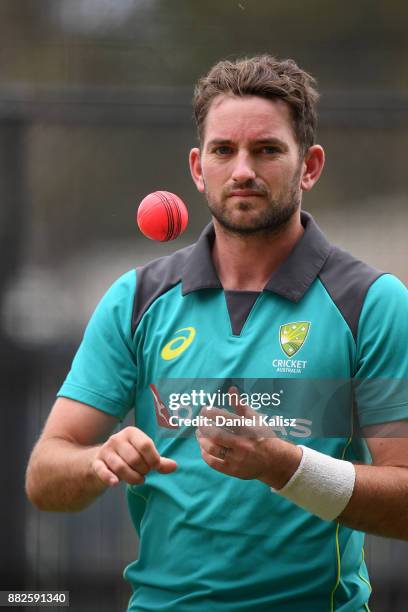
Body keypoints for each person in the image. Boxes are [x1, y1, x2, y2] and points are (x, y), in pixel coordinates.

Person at [26, 55, 408, 611]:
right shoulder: (136, 300)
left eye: (268, 150)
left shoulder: (371, 303)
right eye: (223, 150)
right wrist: (97, 461)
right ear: (198, 167)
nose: (243, 170)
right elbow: (44, 476)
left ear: (310, 166)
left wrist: (284, 465)